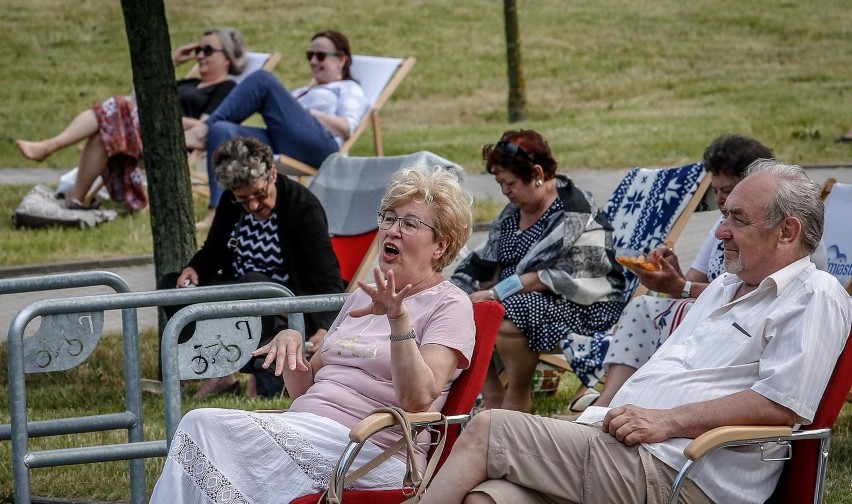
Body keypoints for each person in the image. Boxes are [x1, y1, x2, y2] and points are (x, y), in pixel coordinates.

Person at [418, 160, 852, 504]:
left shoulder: (813, 295)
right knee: (488, 498)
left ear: (788, 231)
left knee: (487, 428)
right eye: (722, 217)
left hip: (681, 471)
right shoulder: (725, 286)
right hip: (621, 447)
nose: (720, 231)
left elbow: (781, 405)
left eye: (736, 219)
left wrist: (667, 421)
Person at [150, 166, 476, 502]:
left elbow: (417, 399)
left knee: (203, 426)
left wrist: (398, 318)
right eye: (389, 218)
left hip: (374, 447)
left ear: (440, 245)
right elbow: (306, 389)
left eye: (409, 224)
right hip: (311, 429)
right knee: (203, 430)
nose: (392, 230)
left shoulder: (451, 305)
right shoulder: (365, 295)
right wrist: (292, 350)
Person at [582, 134, 827, 411]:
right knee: (644, 308)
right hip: (712, 322)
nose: (721, 201)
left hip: (739, 328)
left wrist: (681, 289)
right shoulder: (723, 229)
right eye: (717, 192)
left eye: (729, 192)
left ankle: (609, 407)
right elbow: (695, 282)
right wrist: (671, 275)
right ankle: (607, 406)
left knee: (654, 313)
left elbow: (770, 295)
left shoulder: (806, 268)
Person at [451, 130, 627, 412]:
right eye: (500, 184)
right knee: (459, 304)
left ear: (536, 174)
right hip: (521, 296)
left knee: (505, 311)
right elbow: (484, 257)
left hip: (585, 304)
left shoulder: (574, 212)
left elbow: (555, 277)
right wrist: (458, 292)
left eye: (510, 183)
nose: (505, 192)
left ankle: (517, 396)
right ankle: (492, 393)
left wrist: (495, 292)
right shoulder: (514, 211)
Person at [156, 136, 344, 399]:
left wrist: (324, 328)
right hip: (240, 292)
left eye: (259, 194)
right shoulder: (231, 203)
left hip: (280, 305)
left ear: (273, 174)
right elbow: (214, 251)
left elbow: (329, 280)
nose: (253, 205)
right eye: (243, 200)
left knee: (256, 285)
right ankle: (221, 373)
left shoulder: (303, 208)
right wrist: (195, 269)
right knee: (170, 285)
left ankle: (256, 373)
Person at [16, 28, 247, 211]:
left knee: (117, 105)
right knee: (105, 130)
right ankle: (76, 202)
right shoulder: (188, 84)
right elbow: (140, 97)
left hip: (172, 142)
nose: (199, 55)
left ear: (226, 57)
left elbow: (205, 127)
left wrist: (164, 118)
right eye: (198, 49)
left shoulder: (227, 89)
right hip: (142, 130)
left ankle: (49, 146)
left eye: (207, 50)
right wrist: (172, 62)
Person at [185, 29, 368, 228]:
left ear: (341, 60)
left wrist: (309, 113)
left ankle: (202, 129)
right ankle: (217, 213)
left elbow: (347, 127)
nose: (314, 61)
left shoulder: (348, 88)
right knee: (222, 130)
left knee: (263, 80)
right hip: (284, 141)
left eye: (321, 55)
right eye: (310, 55)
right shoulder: (302, 91)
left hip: (321, 148)